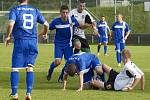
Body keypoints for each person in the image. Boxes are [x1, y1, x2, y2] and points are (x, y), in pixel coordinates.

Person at [5, 0, 48, 100]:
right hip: (33, 42)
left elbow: (11, 24)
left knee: (15, 68)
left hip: (20, 41)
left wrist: (8, 36)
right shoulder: (35, 10)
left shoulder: (15, 10)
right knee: (30, 67)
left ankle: (15, 94)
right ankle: (28, 94)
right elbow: (46, 24)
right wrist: (44, 33)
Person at [46, 5, 80, 81]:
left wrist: (92, 26)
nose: (65, 14)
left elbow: (79, 26)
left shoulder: (72, 20)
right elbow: (48, 28)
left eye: (67, 12)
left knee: (69, 62)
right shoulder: (56, 21)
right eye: (63, 12)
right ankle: (50, 70)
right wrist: (43, 34)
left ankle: (61, 77)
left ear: (68, 13)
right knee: (58, 62)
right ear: (60, 13)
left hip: (68, 44)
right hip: (58, 44)